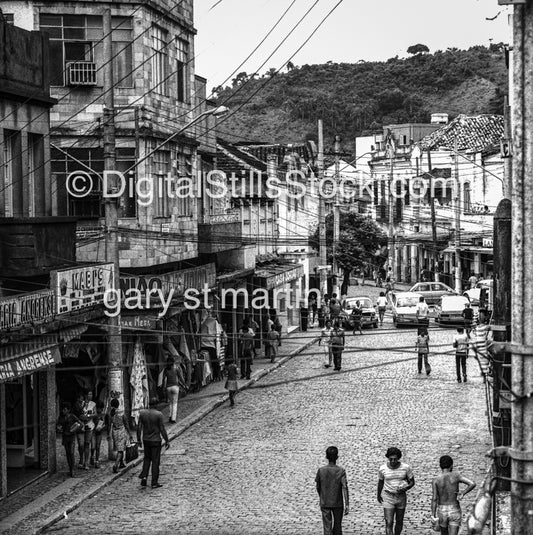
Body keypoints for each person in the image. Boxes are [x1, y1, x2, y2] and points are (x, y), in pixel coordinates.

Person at [431, 455, 476, 535]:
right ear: (451, 465)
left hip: (442, 510)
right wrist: (463, 492)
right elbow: (472, 484)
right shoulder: (456, 476)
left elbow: (434, 499)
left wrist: (433, 515)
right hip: (454, 509)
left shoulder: (436, 480)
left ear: (440, 465)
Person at [377, 447, 415, 535]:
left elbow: (412, 482)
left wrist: (406, 488)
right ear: (388, 458)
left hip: (401, 497)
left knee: (399, 521)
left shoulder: (406, 468)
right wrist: (378, 495)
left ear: (398, 458)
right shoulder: (382, 469)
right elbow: (380, 482)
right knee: (389, 521)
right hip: (388, 496)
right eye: (391, 459)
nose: (393, 461)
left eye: (395, 459)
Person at [315, 446, 349, 535]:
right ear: (337, 457)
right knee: (337, 527)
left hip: (325, 501)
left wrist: (321, 496)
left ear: (326, 457)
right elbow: (345, 487)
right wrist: (347, 503)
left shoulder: (321, 470)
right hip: (338, 503)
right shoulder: (341, 471)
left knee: (327, 527)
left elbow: (318, 486)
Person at [137, 406, 170, 489]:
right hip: (155, 440)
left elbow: (139, 428)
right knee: (155, 461)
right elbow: (162, 429)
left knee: (147, 458)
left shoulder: (142, 413)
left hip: (146, 439)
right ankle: (154, 482)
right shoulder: (159, 414)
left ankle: (144, 477)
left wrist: (138, 440)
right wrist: (166, 440)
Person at [57, 402, 82, 477]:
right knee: (68, 453)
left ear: (68, 410)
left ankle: (72, 469)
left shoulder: (72, 416)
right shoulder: (61, 418)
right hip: (65, 436)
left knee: (71, 452)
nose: (63, 411)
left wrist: (75, 429)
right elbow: (58, 426)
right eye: (63, 409)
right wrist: (59, 429)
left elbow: (80, 424)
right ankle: (70, 467)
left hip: (71, 437)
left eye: (65, 409)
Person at [109, 398, 131, 473]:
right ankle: (116, 464)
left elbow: (109, 425)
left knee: (119, 447)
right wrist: (130, 434)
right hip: (121, 432)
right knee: (121, 450)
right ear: (118, 404)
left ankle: (121, 463)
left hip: (114, 432)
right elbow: (126, 424)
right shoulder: (121, 413)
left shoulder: (111, 414)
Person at [471, 310, 492, 382]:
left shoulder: (477, 328)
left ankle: (484, 374)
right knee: (485, 360)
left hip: (479, 346)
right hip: (482, 346)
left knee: (483, 360)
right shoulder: (484, 327)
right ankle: (485, 374)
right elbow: (489, 327)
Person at [163, 357, 181, 424]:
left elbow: (163, 379)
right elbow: (180, 378)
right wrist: (184, 385)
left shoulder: (166, 370)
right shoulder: (176, 369)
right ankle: (173, 419)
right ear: (173, 362)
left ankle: (170, 416)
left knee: (170, 403)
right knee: (175, 403)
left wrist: (164, 388)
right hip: (175, 387)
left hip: (168, 388)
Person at [90, 400, 106, 468]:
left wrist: (101, 427)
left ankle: (97, 461)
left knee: (98, 446)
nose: (99, 410)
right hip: (93, 432)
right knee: (93, 446)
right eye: (98, 408)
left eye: (101, 408)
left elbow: (104, 423)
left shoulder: (103, 414)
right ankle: (92, 456)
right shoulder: (94, 414)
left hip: (99, 432)